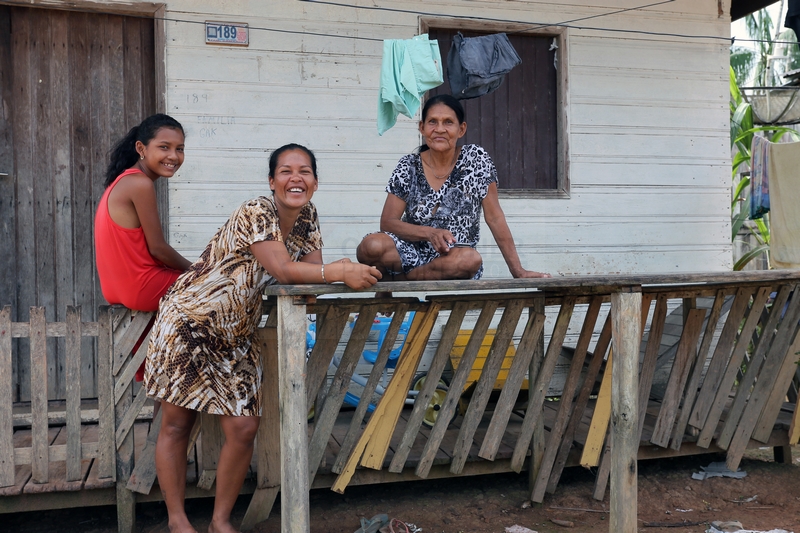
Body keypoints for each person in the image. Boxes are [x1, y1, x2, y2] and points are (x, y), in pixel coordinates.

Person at [144, 143, 381, 533]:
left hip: (236, 336)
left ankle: (220, 521)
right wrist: (340, 270)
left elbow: (309, 272)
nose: (295, 178)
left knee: (243, 428)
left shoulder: (308, 218)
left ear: (315, 183)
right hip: (188, 323)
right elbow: (287, 270)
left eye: (304, 171)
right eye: (285, 171)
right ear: (272, 181)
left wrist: (330, 273)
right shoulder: (257, 210)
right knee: (177, 423)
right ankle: (177, 521)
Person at [357, 94, 550, 281]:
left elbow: (495, 217)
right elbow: (388, 223)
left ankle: (402, 280)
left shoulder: (476, 159)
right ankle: (408, 277)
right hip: (410, 252)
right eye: (432, 122)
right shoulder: (408, 165)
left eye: (448, 122)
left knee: (470, 259)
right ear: (422, 128)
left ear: (461, 129)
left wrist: (518, 271)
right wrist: (430, 233)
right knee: (371, 246)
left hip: (453, 256)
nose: (439, 129)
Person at [95, 113, 192, 381]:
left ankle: (169, 370)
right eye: (164, 147)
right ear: (141, 148)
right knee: (222, 287)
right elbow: (158, 249)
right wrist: (199, 270)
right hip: (140, 285)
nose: (173, 156)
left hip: (117, 287)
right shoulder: (139, 183)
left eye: (179, 149)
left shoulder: (122, 181)